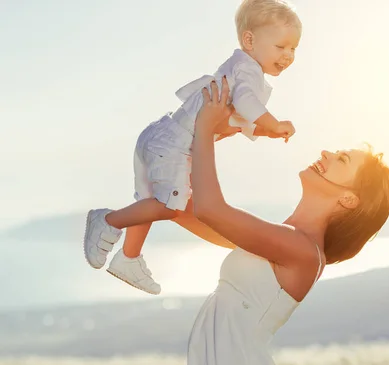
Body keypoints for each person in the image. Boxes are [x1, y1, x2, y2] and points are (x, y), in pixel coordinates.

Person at [82, 0, 302, 294]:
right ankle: (107, 220)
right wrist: (273, 124)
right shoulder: (248, 71)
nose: (288, 56)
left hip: (161, 135)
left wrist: (264, 132)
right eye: (281, 47)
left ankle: (129, 257)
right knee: (168, 205)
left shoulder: (235, 66)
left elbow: (233, 119)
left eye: (293, 49)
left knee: (148, 201)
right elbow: (247, 103)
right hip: (175, 147)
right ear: (250, 40)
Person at [180, 77, 389, 364]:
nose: (326, 153)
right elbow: (186, 209)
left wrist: (205, 129)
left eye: (342, 160)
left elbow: (209, 209)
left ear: (349, 199)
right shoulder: (283, 239)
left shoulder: (303, 251)